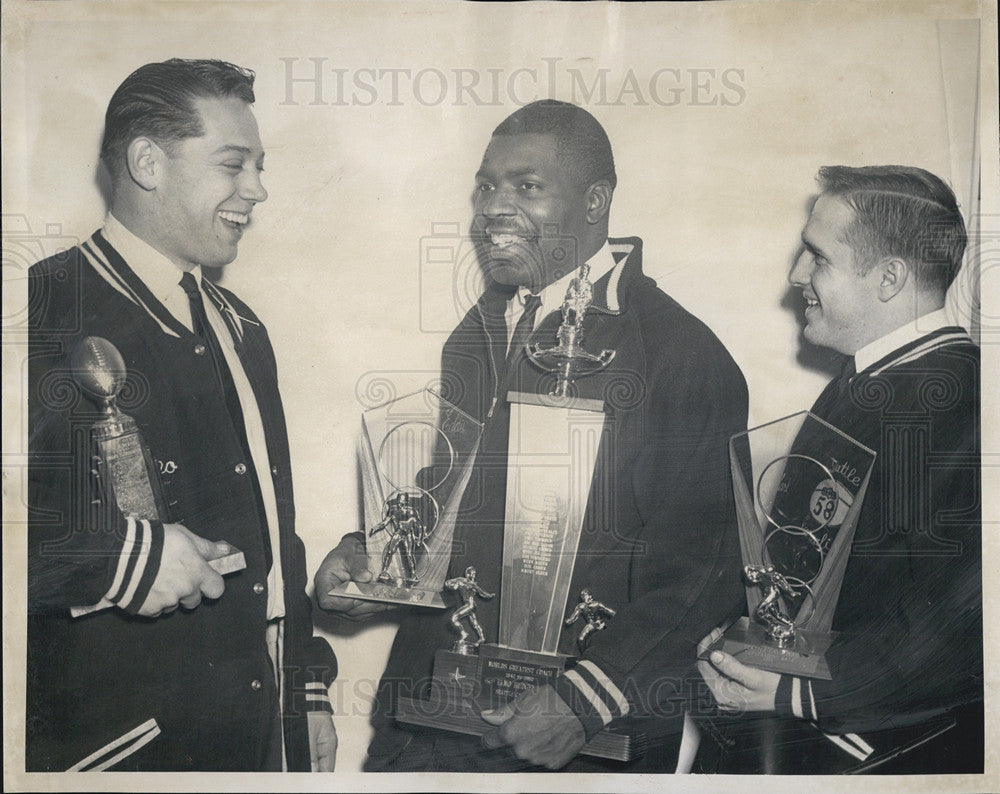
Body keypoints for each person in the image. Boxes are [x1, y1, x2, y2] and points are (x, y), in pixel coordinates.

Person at [315, 99, 749, 772]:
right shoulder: (482, 327)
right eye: (486, 186)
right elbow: (454, 499)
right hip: (429, 724)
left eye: (527, 186)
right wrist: (372, 558)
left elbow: (707, 572)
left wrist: (587, 700)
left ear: (596, 200)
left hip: (576, 744)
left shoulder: (678, 352)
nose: (493, 207)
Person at [27, 59, 337, 772]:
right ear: (147, 163)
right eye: (234, 165)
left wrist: (309, 685)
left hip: (255, 739)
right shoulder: (37, 309)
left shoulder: (242, 326)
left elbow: (272, 527)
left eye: (259, 166)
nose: (257, 190)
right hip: (113, 756)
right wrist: (120, 562)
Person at [697, 166, 982, 774]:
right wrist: (742, 636)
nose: (796, 275)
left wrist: (797, 693)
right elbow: (825, 572)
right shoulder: (869, 380)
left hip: (887, 746)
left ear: (889, 279)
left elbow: (962, 621)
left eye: (817, 257)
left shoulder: (958, 401)